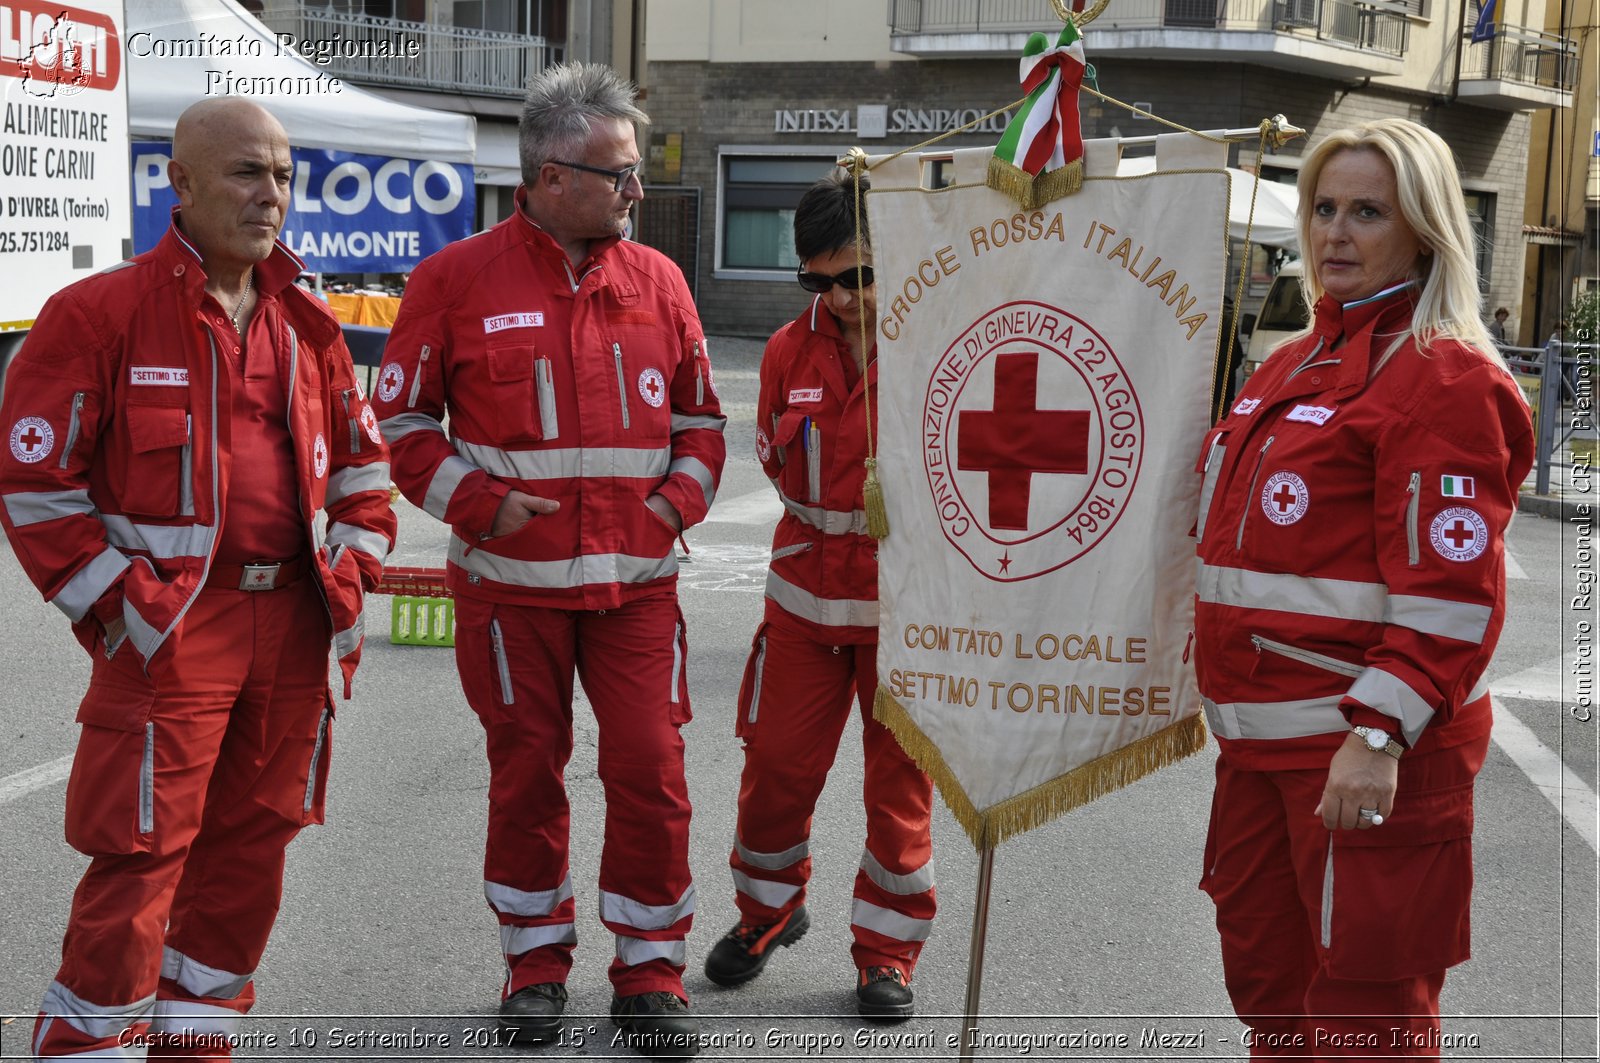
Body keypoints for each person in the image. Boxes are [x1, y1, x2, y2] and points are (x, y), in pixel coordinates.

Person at [0, 98, 396, 1058]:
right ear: (178, 183)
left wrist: (350, 574)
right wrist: (120, 610)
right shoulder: (99, 314)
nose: (273, 197)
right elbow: (34, 480)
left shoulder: (311, 322)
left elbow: (363, 468)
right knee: (140, 862)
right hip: (172, 629)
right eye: (247, 173)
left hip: (295, 625)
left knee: (251, 858)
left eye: (286, 176)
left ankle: (194, 1045)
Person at [371, 62, 724, 1059]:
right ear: (550, 174)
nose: (635, 190)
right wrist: (479, 502)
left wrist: (668, 508)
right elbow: (400, 420)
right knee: (525, 772)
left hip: (636, 590)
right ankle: (534, 967)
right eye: (619, 174)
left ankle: (651, 972)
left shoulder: (656, 279)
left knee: (652, 770)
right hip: (505, 593)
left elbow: (701, 418)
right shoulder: (456, 279)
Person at [1192, 117, 1533, 1057]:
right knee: (1270, 996)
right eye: (1323, 207)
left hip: (1360, 753)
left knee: (1363, 1020)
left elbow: (1453, 596)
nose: (1335, 232)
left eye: (1367, 212)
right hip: (1258, 757)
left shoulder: (1444, 377)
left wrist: (1378, 733)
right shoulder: (1288, 363)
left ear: (1422, 230)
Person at [702, 171, 936, 1021]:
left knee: (900, 787)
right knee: (775, 770)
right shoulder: (783, 351)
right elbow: (772, 454)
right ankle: (767, 914)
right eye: (817, 280)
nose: (838, 296)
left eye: (857, 276)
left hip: (905, 607)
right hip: (803, 599)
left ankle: (887, 951)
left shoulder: (938, 340)